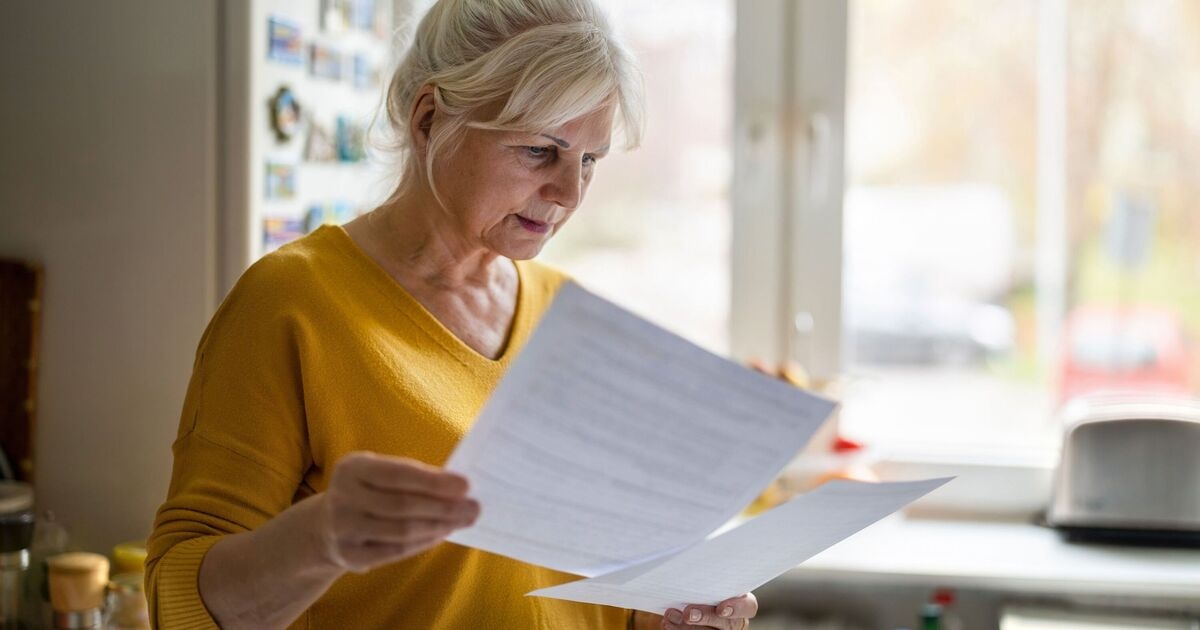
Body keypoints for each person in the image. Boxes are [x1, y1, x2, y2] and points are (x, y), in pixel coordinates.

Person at [146, 0, 758, 628]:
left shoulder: (568, 315)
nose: (569, 193)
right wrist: (320, 538)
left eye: (590, 160)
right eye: (541, 150)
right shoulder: (292, 302)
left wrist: (662, 615)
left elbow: (577, 589)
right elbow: (178, 597)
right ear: (430, 119)